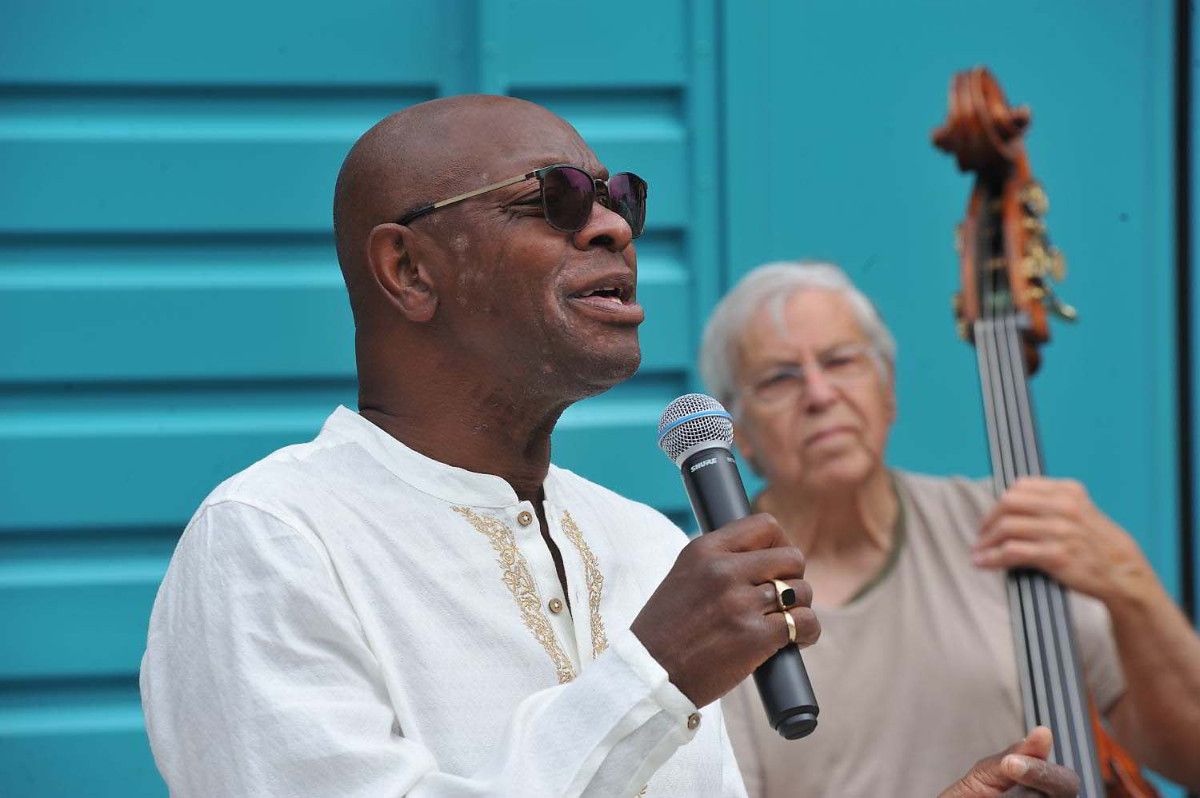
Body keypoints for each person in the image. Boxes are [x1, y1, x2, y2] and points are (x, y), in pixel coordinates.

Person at [140, 97, 1082, 797]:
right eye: (553, 199)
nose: (614, 226)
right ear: (408, 269)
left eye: (619, 194)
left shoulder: (643, 542)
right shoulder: (274, 541)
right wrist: (653, 675)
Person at [704, 261, 1200, 797]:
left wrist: (1132, 585)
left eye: (841, 361)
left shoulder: (1009, 526)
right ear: (739, 432)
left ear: (888, 390)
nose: (820, 394)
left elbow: (1189, 756)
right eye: (780, 378)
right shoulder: (720, 599)